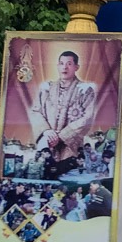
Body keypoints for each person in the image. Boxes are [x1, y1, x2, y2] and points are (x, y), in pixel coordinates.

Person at [29, 50, 97, 178]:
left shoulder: (85, 90)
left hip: (70, 148)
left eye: (69, 64)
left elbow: (87, 118)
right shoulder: (46, 88)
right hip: (48, 146)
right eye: (61, 63)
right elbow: (36, 111)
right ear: (57, 66)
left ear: (77, 67)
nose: (64, 67)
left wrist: (61, 136)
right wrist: (47, 132)